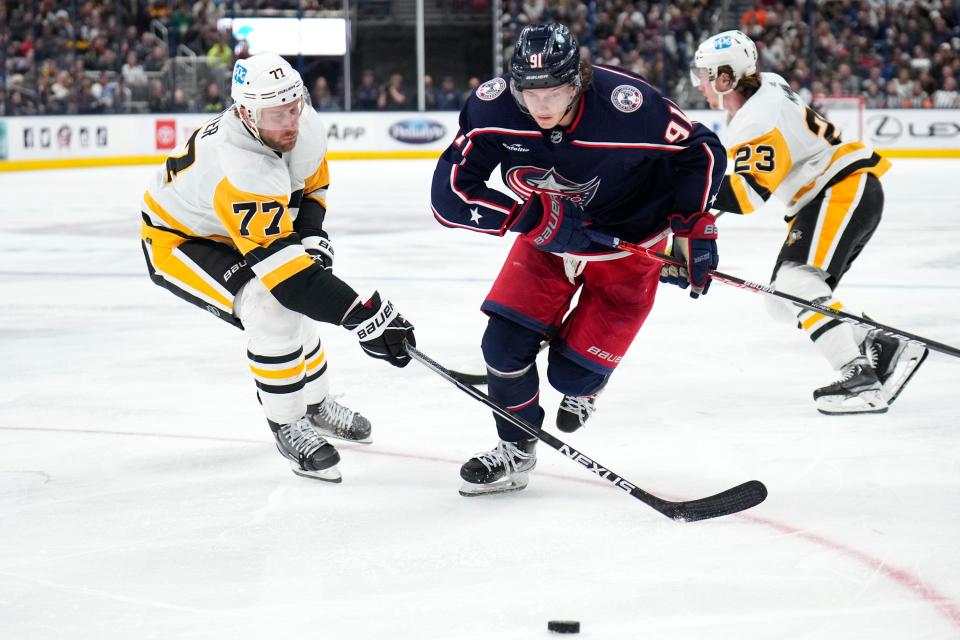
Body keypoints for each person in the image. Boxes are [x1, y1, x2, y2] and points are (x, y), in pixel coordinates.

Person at [430, 23, 726, 496]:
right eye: (529, 93)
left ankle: (584, 382)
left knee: (570, 375)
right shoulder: (492, 108)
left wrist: (695, 226)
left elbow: (701, 150)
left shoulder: (627, 105)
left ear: (579, 79)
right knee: (501, 349)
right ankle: (515, 449)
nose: (541, 106)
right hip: (548, 237)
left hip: (630, 243)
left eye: (554, 92)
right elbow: (449, 194)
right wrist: (529, 219)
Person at [140, 53, 416, 482]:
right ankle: (287, 423)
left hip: (231, 222)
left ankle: (317, 404)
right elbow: (289, 283)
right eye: (277, 113)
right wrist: (362, 315)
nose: (291, 121)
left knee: (297, 301)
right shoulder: (238, 165)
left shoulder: (301, 123)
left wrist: (310, 233)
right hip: (181, 239)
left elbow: (312, 181)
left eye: (294, 105)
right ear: (246, 114)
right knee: (271, 310)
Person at [691, 30, 927, 415]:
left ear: (725, 78)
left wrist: (686, 195)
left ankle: (859, 376)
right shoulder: (767, 87)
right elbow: (752, 182)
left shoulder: (755, 119)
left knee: (797, 284)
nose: (698, 84)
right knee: (780, 300)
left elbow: (749, 197)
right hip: (833, 194)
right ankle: (878, 345)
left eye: (703, 74)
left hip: (840, 191)